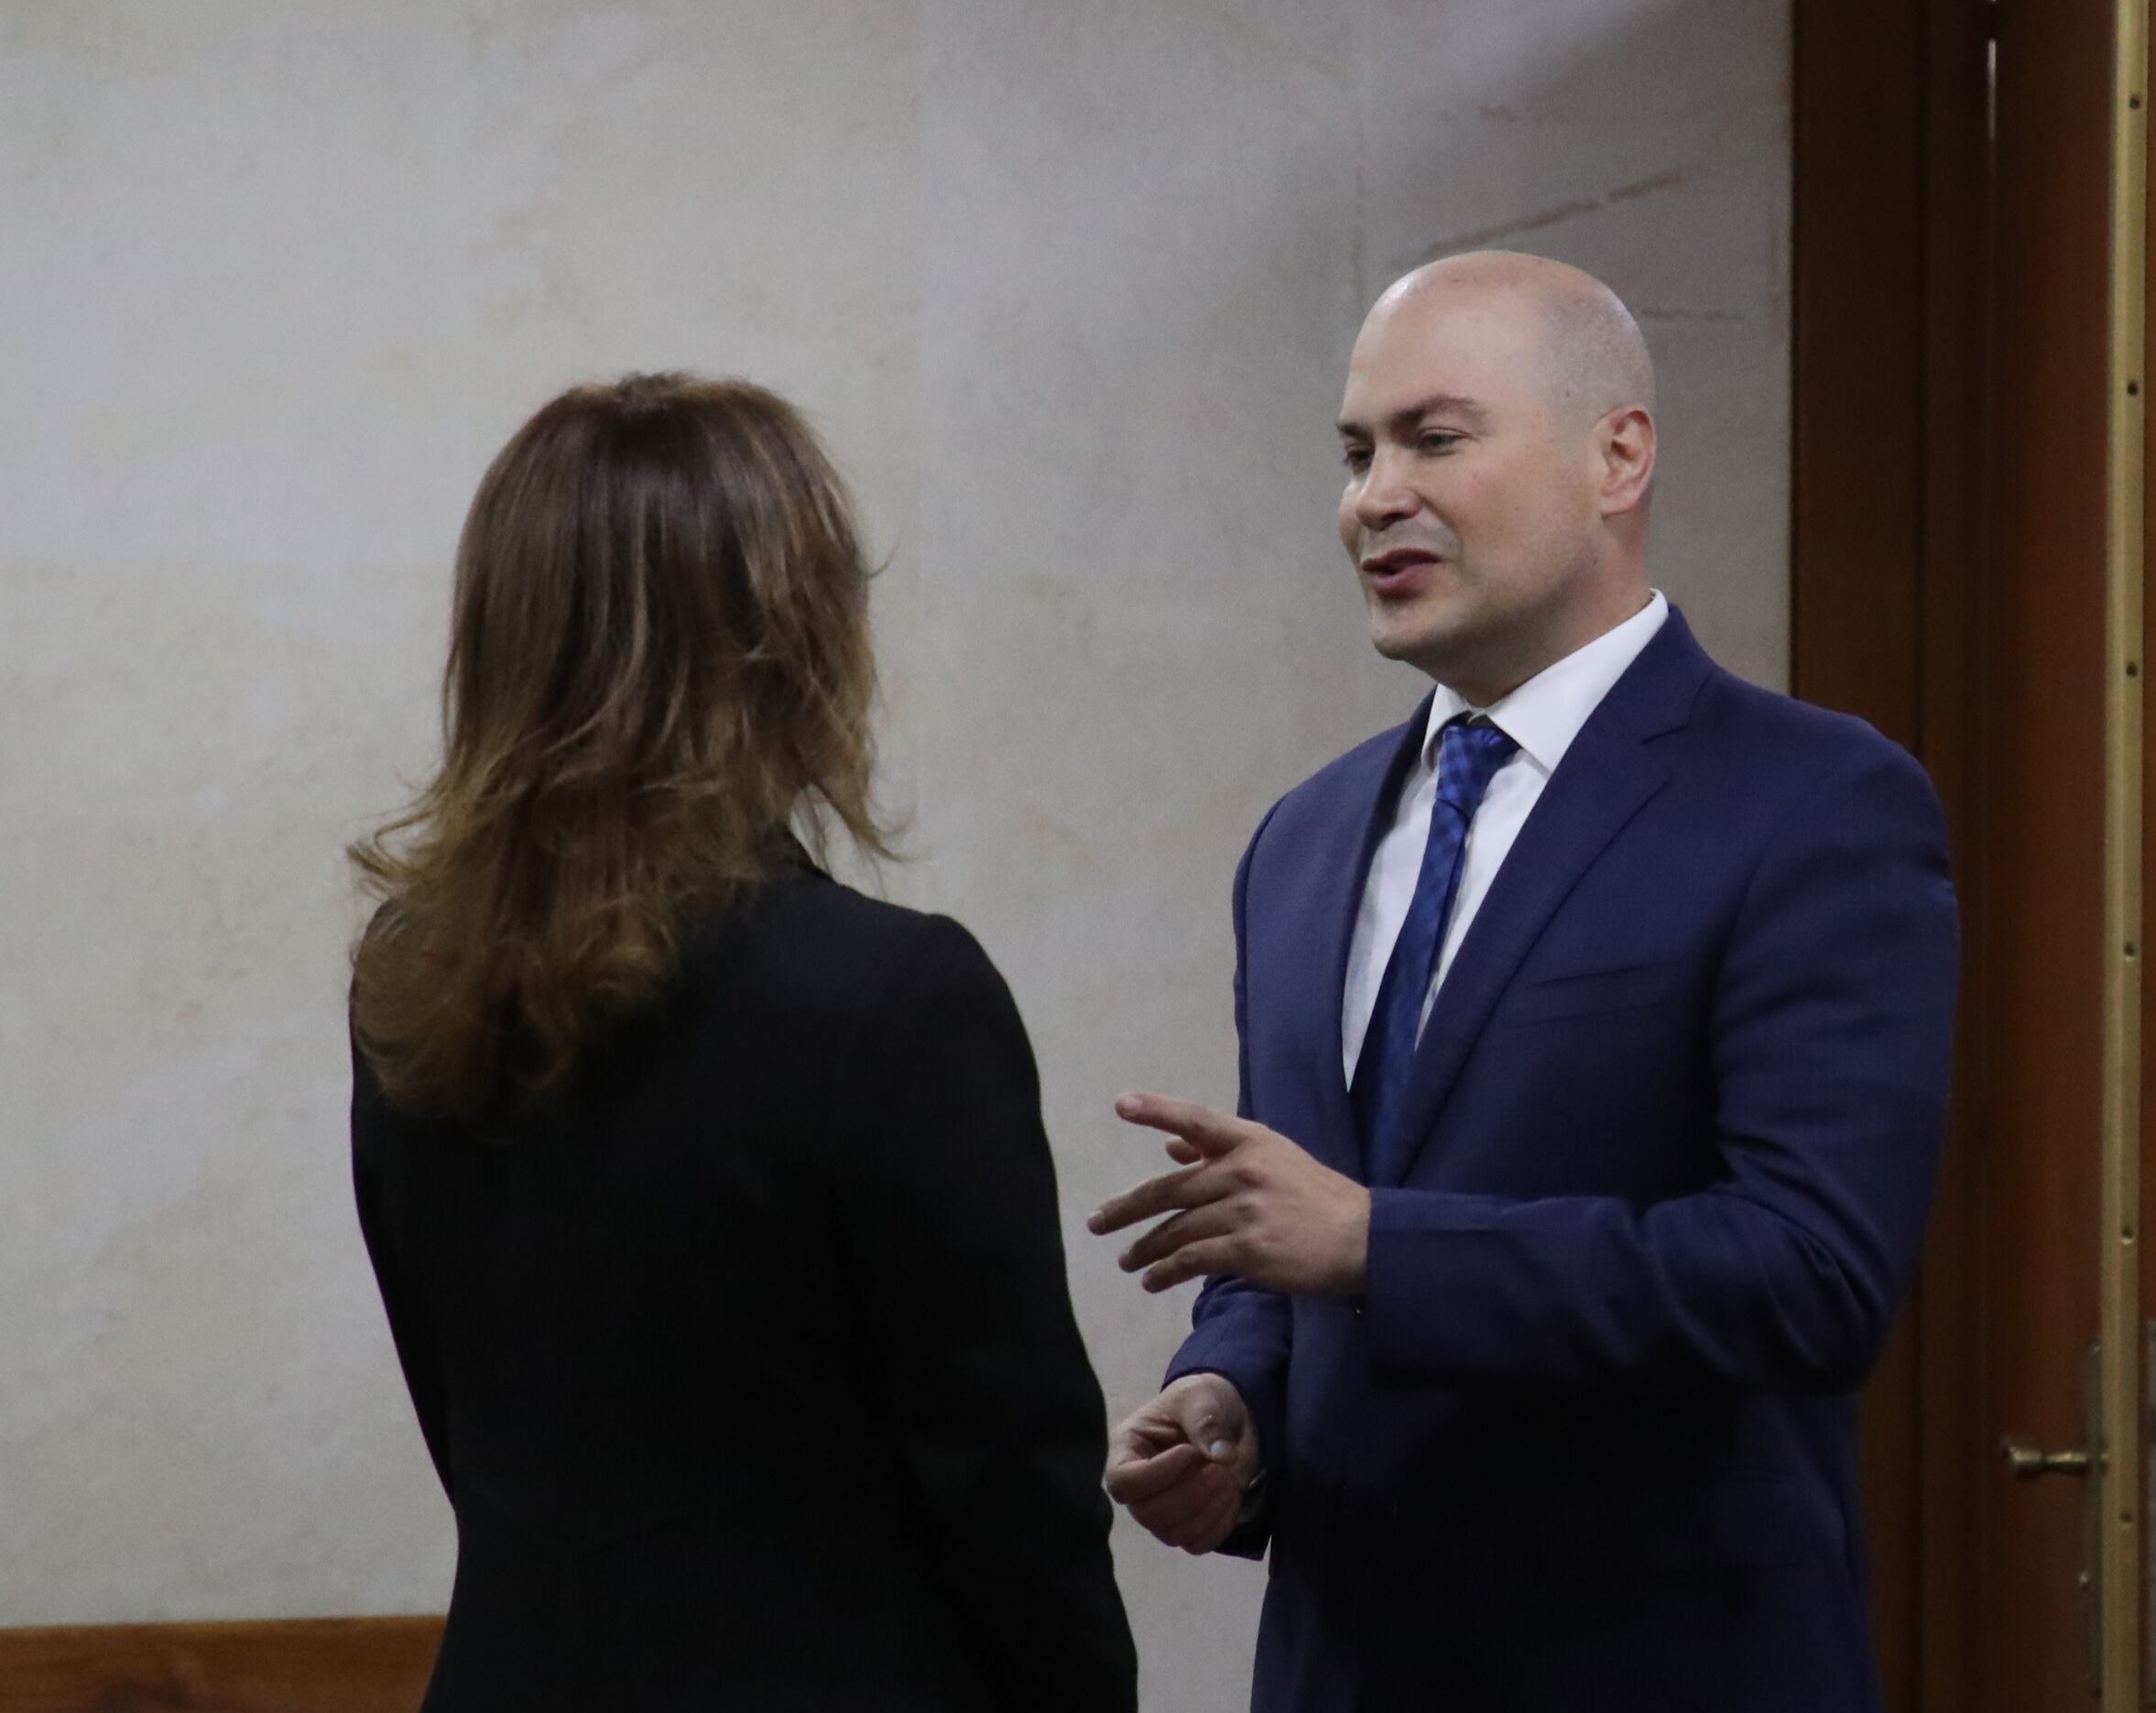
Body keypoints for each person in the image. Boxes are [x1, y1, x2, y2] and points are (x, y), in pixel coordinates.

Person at [1091, 254, 1958, 1712]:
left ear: (1616, 454)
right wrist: (1231, 1398)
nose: (1374, 495)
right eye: (1356, 453)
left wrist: (1378, 1243)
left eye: (1436, 438)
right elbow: (1289, 1232)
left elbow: (1812, 1277)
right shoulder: (1303, 838)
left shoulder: (1813, 803)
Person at [347, 375, 1134, 1713]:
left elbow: (467, 1427)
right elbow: (1012, 1492)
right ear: (796, 639)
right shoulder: (892, 998)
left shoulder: (413, 981)